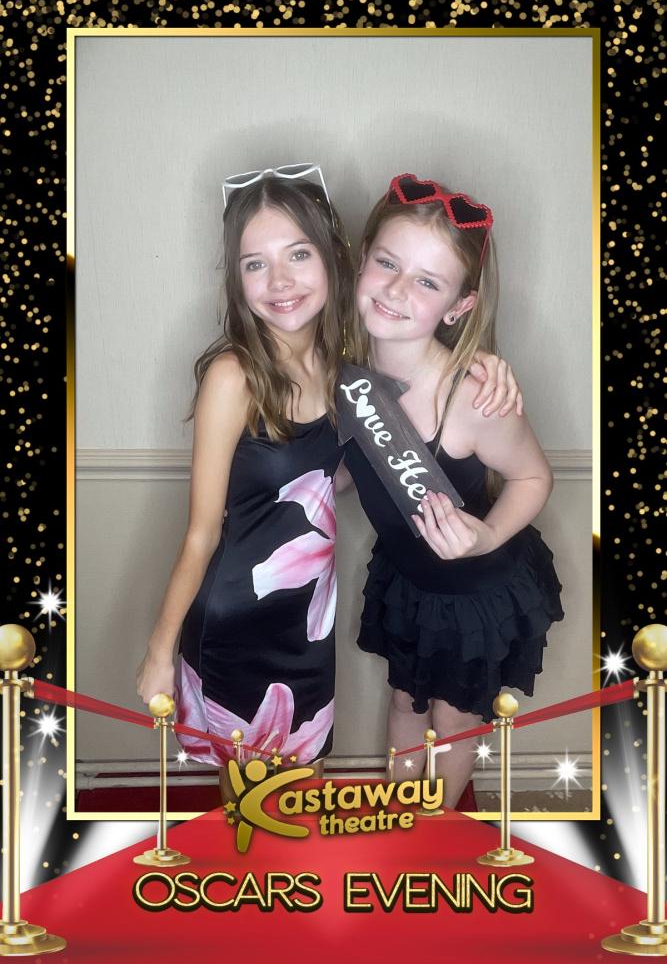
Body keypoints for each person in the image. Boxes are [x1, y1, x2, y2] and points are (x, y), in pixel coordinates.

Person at [135, 166, 520, 804]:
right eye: (254, 263)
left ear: (336, 259)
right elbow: (201, 535)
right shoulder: (234, 377)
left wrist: (477, 359)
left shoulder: (346, 369)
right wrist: (159, 652)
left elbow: (336, 464)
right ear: (236, 278)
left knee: (304, 791)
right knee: (255, 812)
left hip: (308, 624)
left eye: (298, 254)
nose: (279, 280)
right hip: (237, 623)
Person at [345, 173, 564, 809]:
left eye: (427, 282)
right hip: (408, 581)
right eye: (387, 263)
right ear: (362, 261)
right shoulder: (344, 371)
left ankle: (434, 830)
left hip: (476, 594)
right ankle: (400, 817)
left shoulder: (472, 397)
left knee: (454, 719)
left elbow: (534, 477)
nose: (396, 290)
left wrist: (488, 534)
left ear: (458, 307)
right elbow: (352, 464)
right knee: (404, 703)